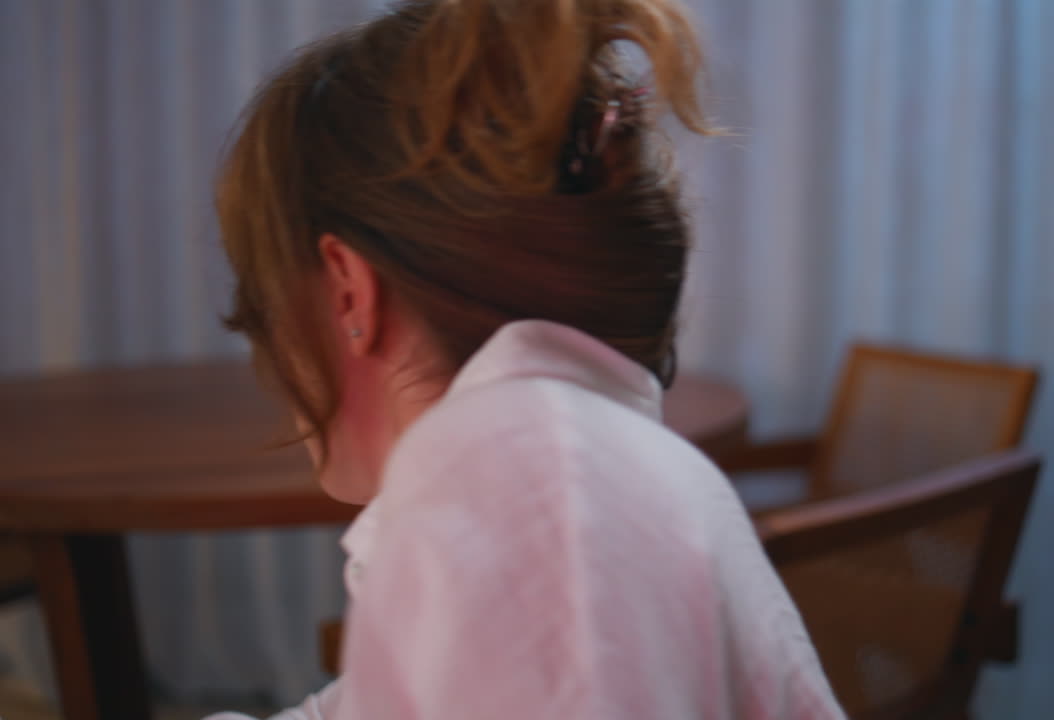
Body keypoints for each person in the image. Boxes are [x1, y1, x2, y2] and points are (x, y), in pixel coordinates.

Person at [207, 0, 844, 717]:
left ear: (348, 291)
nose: (266, 351)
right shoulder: (552, 469)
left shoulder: (531, 495)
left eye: (264, 298)